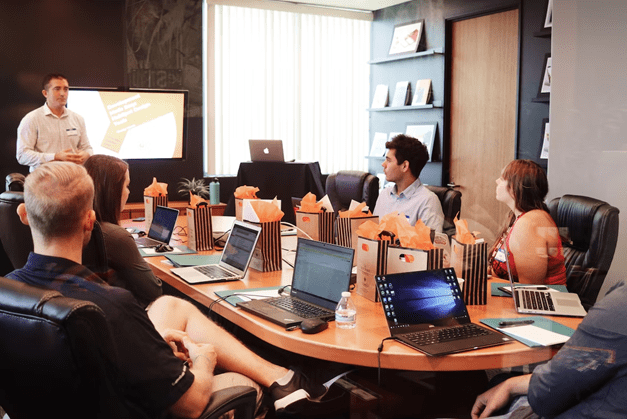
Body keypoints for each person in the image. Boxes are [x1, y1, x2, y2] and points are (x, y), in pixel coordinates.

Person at [7, 161, 327, 418]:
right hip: (147, 407)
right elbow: (189, 405)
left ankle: (281, 375)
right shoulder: (111, 305)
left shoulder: (8, 291)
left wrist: (149, 344)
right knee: (244, 386)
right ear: (89, 221)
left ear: (24, 215)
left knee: (171, 306)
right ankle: (281, 383)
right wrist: (204, 358)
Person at [471, 281, 627, 419]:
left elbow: (545, 399)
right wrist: (509, 385)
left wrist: (510, 386)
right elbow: (579, 373)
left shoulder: (620, 307)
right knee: (499, 381)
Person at [83, 154, 162, 308]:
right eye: (126, 186)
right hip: (126, 315)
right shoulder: (115, 236)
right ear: (112, 191)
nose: (128, 192)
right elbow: (154, 291)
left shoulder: (77, 227)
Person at [489, 159, 566, 285]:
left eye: (502, 179)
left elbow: (530, 290)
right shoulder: (518, 217)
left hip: (541, 301)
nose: (497, 181)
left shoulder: (530, 223)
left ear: (515, 188)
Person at [16, 73, 92, 172]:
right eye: (57, 89)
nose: (62, 93)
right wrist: (55, 157)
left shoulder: (78, 118)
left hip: (73, 179)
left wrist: (87, 154)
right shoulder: (32, 119)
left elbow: (87, 148)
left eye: (65, 89)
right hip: (44, 180)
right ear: (45, 93)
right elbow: (22, 156)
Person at [373, 134, 444, 232]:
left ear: (404, 166)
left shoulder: (428, 201)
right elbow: (371, 235)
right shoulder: (384, 195)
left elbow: (431, 245)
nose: (383, 164)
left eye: (388, 160)